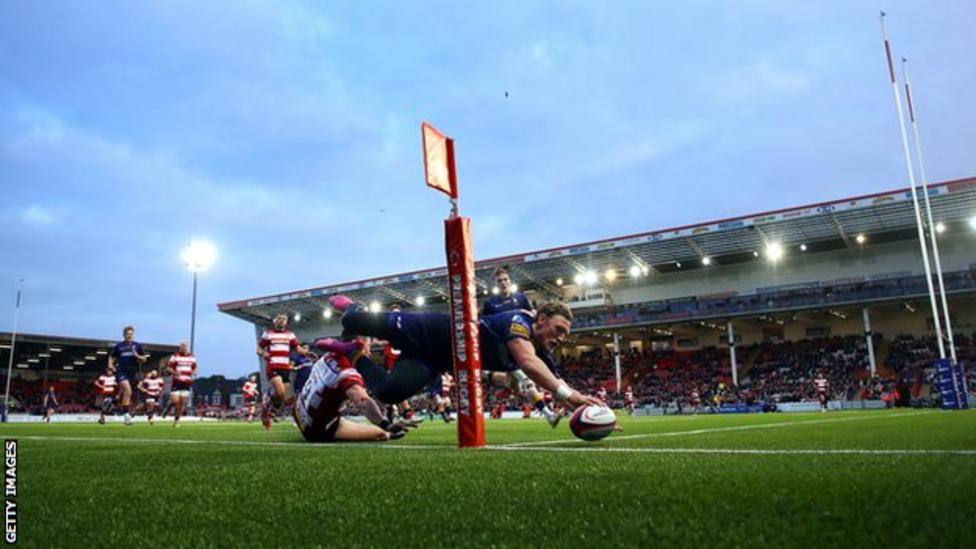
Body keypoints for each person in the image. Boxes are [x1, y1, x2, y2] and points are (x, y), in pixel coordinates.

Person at [319, 296, 601, 411]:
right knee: (350, 322)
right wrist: (569, 395)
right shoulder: (520, 321)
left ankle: (353, 352)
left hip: (436, 359)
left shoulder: (544, 354)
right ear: (541, 320)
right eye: (559, 329)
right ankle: (354, 307)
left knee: (389, 393)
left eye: (565, 334)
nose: (562, 339)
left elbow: (550, 378)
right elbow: (527, 362)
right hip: (429, 330)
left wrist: (585, 409)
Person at [480, 267, 561, 427]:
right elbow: (485, 325)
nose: (503, 283)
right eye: (499, 281)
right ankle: (549, 415)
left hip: (522, 347)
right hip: (505, 350)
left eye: (505, 280)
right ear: (495, 284)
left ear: (510, 281)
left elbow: (533, 316)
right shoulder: (490, 304)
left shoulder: (520, 298)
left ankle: (488, 375)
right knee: (528, 382)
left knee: (512, 385)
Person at [291, 341, 419, 443]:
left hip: (298, 411)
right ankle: (383, 431)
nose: (369, 349)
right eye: (368, 344)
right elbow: (362, 401)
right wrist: (385, 424)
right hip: (315, 429)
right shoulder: (348, 374)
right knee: (381, 434)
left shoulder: (327, 356)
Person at [256, 313, 308, 430]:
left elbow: (297, 348)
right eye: (279, 318)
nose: (281, 320)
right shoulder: (268, 334)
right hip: (273, 366)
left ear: (286, 322)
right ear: (275, 320)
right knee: (279, 393)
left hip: (285, 368)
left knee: (282, 397)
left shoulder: (290, 335)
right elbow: (259, 349)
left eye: (284, 319)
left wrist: (307, 353)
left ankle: (268, 411)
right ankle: (268, 411)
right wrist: (264, 353)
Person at [108, 325, 149, 426]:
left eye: (131, 334)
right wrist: (110, 365)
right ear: (124, 335)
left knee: (127, 394)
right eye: (127, 334)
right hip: (121, 371)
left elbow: (144, 359)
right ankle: (126, 417)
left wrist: (137, 356)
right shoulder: (119, 346)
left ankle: (111, 402)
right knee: (128, 390)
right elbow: (111, 357)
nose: (129, 336)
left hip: (132, 373)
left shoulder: (137, 346)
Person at [166, 341, 197, 427]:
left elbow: (195, 367)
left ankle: (177, 421)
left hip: (187, 382)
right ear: (180, 347)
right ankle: (169, 405)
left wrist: (194, 372)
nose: (184, 348)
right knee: (175, 401)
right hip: (177, 382)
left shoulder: (191, 357)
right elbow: (168, 368)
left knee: (182, 403)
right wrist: (175, 372)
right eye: (182, 346)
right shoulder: (175, 356)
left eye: (186, 346)